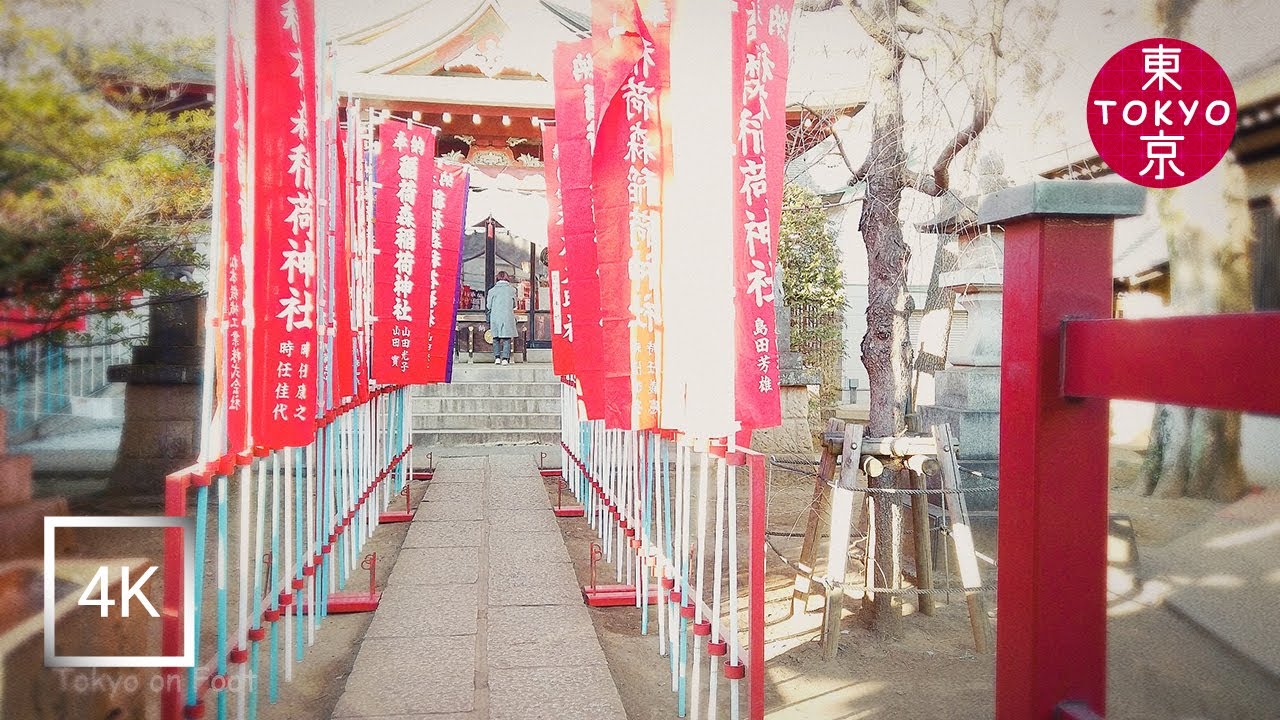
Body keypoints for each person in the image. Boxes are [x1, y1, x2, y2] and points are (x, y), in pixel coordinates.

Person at [487, 271, 518, 365]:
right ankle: (505, 358)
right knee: (506, 338)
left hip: (495, 316)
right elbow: (514, 304)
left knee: (496, 338)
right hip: (507, 316)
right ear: (507, 278)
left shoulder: (492, 291)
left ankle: (497, 358)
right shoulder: (512, 290)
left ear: (497, 278)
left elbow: (489, 306)